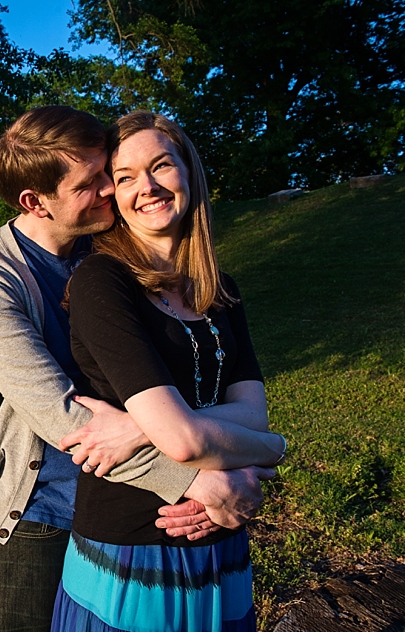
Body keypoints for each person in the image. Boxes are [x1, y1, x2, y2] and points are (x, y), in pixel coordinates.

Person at [0, 105, 274, 632]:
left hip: (137, 500)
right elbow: (62, 419)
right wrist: (197, 478)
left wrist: (200, 453)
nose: (110, 190)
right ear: (36, 202)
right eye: (92, 182)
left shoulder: (111, 247)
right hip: (44, 506)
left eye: (109, 174)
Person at [52, 111, 287, 632]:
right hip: (135, 548)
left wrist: (147, 426)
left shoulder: (219, 288)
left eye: (162, 165)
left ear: (189, 171)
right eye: (127, 176)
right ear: (111, 192)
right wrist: (269, 451)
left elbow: (254, 412)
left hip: (221, 534)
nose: (148, 187)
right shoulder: (101, 282)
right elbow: (184, 441)